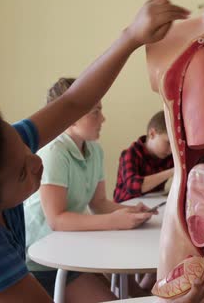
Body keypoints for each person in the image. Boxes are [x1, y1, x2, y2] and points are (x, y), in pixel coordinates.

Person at [0, 0, 191, 302]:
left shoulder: (3, 148)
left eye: (26, 147)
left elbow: (72, 101)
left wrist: (132, 36)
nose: (37, 161)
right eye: (22, 173)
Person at [24, 77, 158, 300]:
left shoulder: (94, 151)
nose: (103, 118)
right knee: (115, 297)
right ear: (69, 118)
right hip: (42, 261)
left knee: (131, 291)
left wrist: (131, 211)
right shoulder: (54, 152)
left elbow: (98, 203)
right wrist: (115, 221)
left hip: (71, 248)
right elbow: (56, 220)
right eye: (95, 112)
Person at [114, 110, 174, 203]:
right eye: (168, 142)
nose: (171, 150)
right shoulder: (130, 154)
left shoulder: (167, 156)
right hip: (125, 206)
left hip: (152, 204)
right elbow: (133, 186)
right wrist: (173, 171)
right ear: (152, 134)